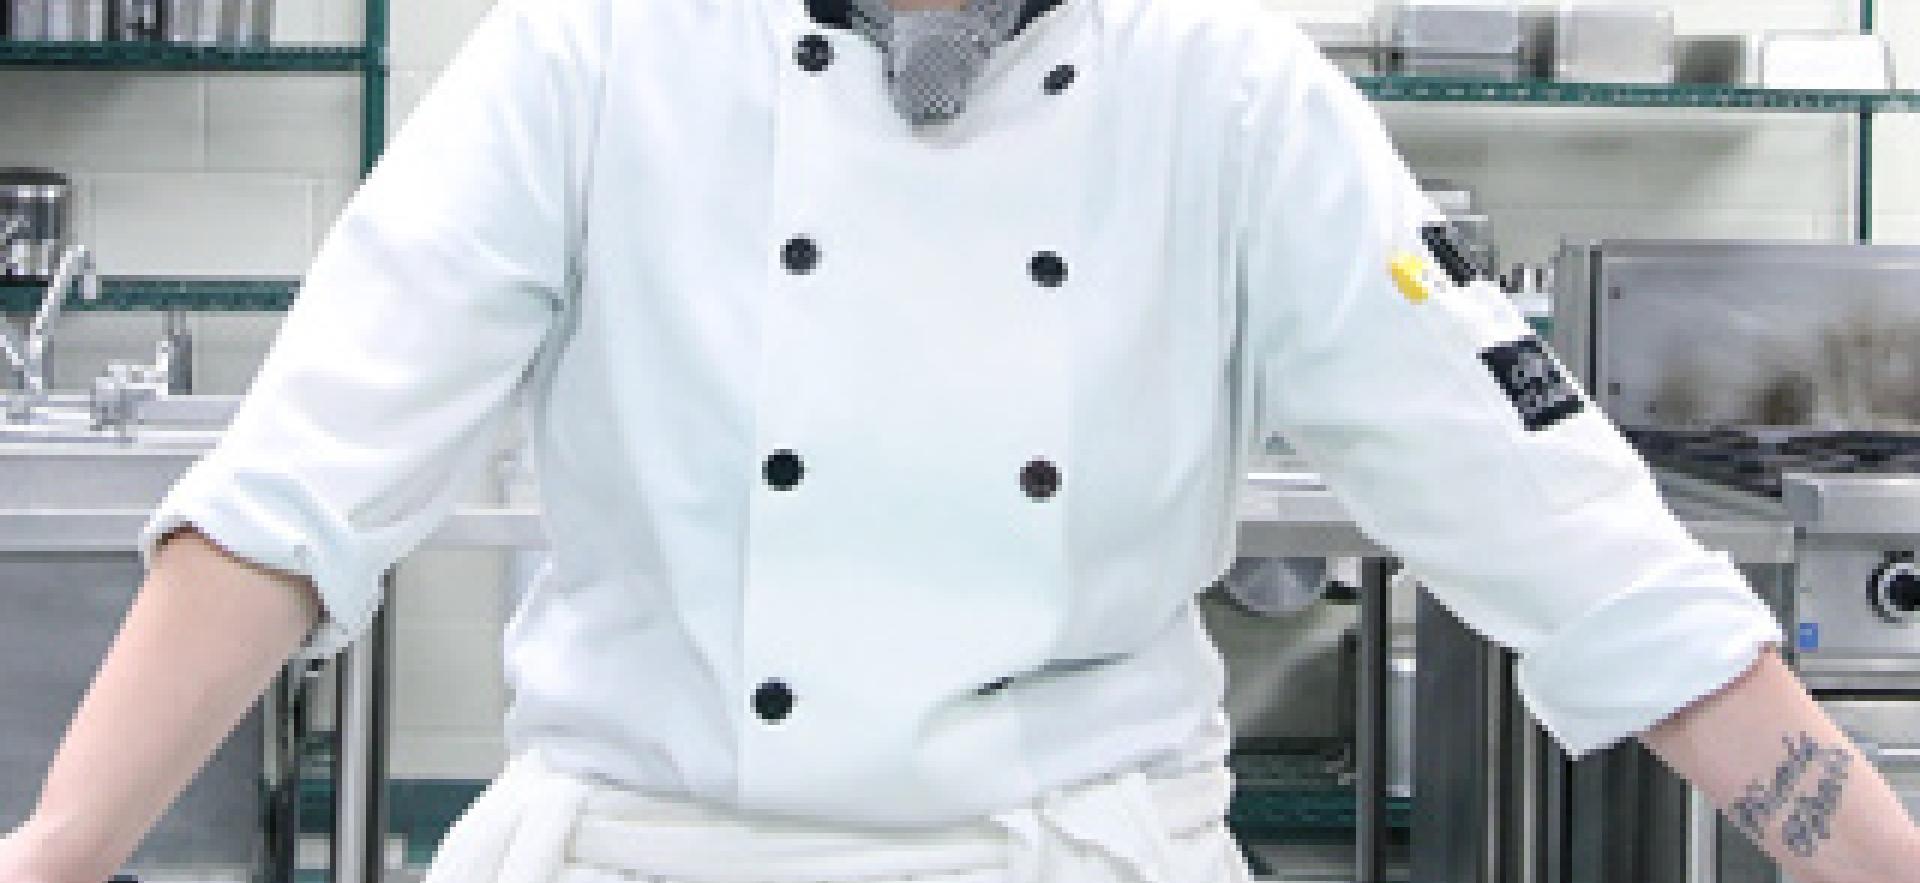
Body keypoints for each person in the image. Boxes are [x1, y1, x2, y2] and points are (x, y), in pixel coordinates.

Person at [4, 0, 1919, 880]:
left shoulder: (1230, 92)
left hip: (1069, 855)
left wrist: (1866, 855)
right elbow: (294, 491)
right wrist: (60, 854)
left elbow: (1566, 524)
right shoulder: (591, 56)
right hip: (643, 855)